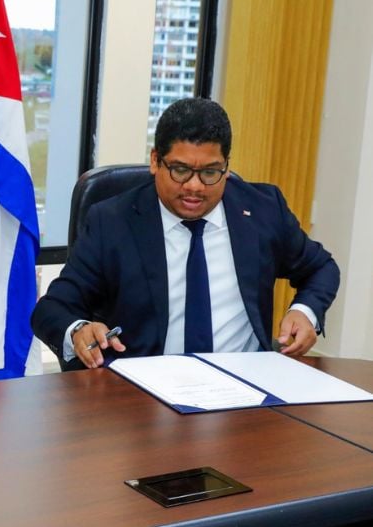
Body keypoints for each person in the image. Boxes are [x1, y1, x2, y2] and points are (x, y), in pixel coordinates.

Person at [32, 97, 339, 370]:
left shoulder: (262, 210)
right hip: (142, 399)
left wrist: (304, 311)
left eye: (209, 172)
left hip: (244, 392)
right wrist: (79, 329)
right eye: (180, 170)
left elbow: (321, 267)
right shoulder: (112, 222)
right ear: (155, 161)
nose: (194, 186)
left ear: (227, 168)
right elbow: (53, 308)